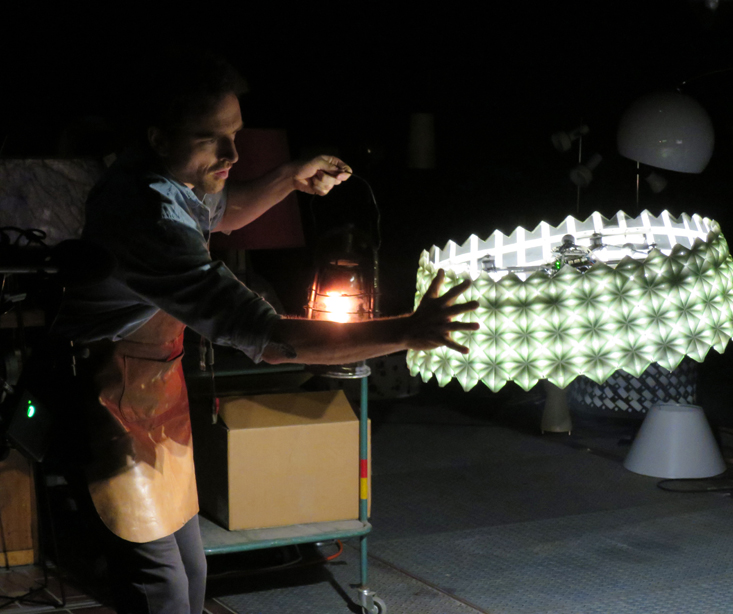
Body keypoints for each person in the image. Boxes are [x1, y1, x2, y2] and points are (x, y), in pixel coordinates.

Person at [48, 47, 479, 614]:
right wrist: (408, 331)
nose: (232, 153)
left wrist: (286, 177)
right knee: (163, 588)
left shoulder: (165, 179)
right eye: (211, 139)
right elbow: (272, 339)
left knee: (190, 572)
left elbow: (220, 213)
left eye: (236, 134)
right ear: (157, 137)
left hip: (157, 397)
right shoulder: (146, 217)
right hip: (107, 402)